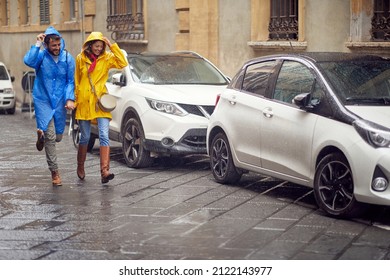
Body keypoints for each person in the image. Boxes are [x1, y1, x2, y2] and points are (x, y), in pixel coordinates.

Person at [24, 26, 75, 187]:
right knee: (52, 137)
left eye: (59, 45)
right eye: (54, 45)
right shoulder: (40, 56)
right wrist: (37, 44)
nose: (57, 48)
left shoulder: (67, 59)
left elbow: (70, 81)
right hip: (43, 100)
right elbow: (28, 61)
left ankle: (42, 137)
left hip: (59, 102)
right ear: (47, 45)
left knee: (58, 137)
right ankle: (55, 172)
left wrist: (69, 99)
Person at [74, 32, 127, 184]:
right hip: (84, 101)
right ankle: (80, 166)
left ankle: (105, 171)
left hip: (100, 101)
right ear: (90, 45)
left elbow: (123, 63)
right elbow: (77, 80)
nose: (98, 49)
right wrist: (74, 100)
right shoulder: (80, 58)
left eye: (101, 46)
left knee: (104, 134)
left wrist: (112, 45)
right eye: (96, 46)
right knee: (85, 137)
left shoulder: (107, 58)